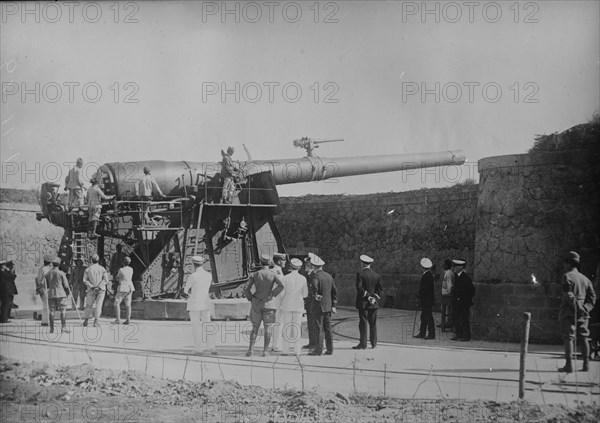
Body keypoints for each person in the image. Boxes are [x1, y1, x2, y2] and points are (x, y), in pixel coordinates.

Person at [558, 251, 596, 373]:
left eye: (565, 263)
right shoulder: (586, 279)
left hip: (569, 312)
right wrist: (585, 309)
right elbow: (592, 297)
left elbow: (568, 295)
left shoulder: (566, 277)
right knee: (584, 337)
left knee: (568, 338)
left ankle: (569, 365)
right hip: (584, 314)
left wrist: (577, 308)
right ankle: (586, 365)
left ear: (568, 263)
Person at [243, 254, 284, 357]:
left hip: (256, 302)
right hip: (269, 303)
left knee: (255, 327)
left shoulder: (255, 274)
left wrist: (250, 298)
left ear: (260, 263)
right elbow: (281, 286)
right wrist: (272, 294)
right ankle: (265, 351)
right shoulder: (273, 274)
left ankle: (250, 350)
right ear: (270, 263)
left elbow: (246, 288)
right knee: (268, 328)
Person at [185, 256, 217, 355]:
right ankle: (212, 347)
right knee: (208, 325)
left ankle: (198, 349)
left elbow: (186, 290)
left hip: (194, 304)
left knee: (196, 326)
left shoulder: (193, 276)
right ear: (202, 264)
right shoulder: (208, 275)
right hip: (205, 303)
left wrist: (190, 293)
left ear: (194, 264)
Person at [308, 254, 338, 356]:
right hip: (328, 307)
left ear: (313, 266)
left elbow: (314, 288)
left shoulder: (315, 276)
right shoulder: (329, 276)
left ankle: (318, 350)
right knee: (328, 328)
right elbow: (334, 291)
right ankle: (330, 349)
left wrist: (315, 294)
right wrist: (333, 305)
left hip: (318, 306)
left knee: (318, 328)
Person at [353, 254, 383, 349]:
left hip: (363, 303)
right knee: (373, 324)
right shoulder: (376, 274)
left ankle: (363, 344)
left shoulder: (360, 274)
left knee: (363, 323)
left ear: (362, 263)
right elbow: (379, 288)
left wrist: (368, 297)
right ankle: (374, 344)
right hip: (374, 304)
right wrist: (374, 297)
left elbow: (359, 288)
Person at [280, 258, 308, 356]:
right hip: (298, 306)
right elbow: (305, 295)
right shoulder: (303, 278)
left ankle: (285, 350)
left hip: (287, 305)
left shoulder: (285, 278)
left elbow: (282, 293)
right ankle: (297, 351)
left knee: (287, 327)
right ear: (299, 268)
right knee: (297, 328)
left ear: (290, 267)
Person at [450, 259, 475, 342]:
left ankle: (466, 336)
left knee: (464, 319)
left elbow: (471, 290)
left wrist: (464, 299)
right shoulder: (457, 276)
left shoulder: (465, 278)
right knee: (456, 318)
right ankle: (459, 334)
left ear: (461, 267)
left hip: (463, 303)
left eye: (455, 266)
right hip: (457, 302)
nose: (453, 268)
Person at [44, 257, 71, 333]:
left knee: (52, 311)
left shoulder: (48, 273)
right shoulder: (61, 273)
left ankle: (51, 328)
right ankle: (63, 328)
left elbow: (46, 284)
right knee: (63, 311)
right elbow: (66, 285)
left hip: (51, 294)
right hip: (61, 294)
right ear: (59, 264)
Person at [82, 253, 109, 327]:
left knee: (88, 305)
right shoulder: (102, 269)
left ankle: (86, 321)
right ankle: (96, 321)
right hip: (101, 290)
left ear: (91, 260)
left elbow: (85, 280)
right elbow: (106, 279)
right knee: (98, 305)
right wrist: (99, 286)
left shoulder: (88, 269)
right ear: (98, 260)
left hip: (91, 289)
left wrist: (92, 286)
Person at [414, 258, 435, 340]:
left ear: (422, 267)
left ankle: (431, 334)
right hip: (427, 300)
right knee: (424, 316)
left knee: (428, 317)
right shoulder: (428, 275)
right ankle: (422, 333)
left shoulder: (426, 276)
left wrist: (418, 296)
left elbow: (424, 289)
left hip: (427, 300)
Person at [270, 252, 287, 352]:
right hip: (278, 301)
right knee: (278, 322)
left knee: (277, 322)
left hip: (275, 300)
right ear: (279, 261)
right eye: (284, 260)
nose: (285, 262)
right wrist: (281, 302)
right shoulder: (278, 271)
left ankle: (275, 344)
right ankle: (276, 345)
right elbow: (281, 287)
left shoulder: (275, 270)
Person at [113, 257, 134, 325]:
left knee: (116, 302)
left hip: (123, 287)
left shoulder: (121, 270)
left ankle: (118, 319)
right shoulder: (131, 269)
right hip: (130, 287)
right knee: (128, 304)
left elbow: (117, 277)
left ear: (123, 262)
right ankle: (128, 319)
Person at [438, 259, 455, 332]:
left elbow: (450, 285)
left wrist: (448, 293)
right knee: (446, 309)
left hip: (447, 295)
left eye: (444, 264)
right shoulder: (448, 272)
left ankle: (448, 323)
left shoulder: (448, 273)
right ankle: (447, 322)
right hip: (445, 294)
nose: (442, 265)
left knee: (446, 310)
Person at [35, 255, 52, 326]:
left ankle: (45, 321)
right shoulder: (44, 269)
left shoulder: (43, 268)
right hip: (44, 288)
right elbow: (39, 279)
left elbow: (37, 279)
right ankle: (46, 321)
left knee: (46, 305)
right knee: (46, 305)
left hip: (46, 288)